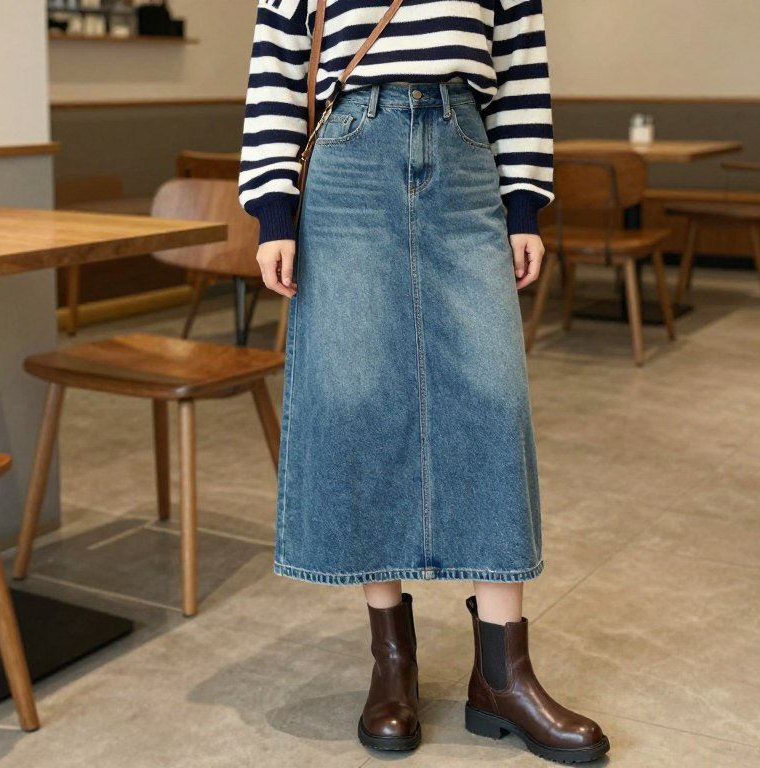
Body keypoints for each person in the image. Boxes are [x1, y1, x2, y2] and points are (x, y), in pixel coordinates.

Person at [239, 0, 609, 762]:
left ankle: (503, 677)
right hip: (347, 165)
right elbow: (275, 75)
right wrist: (275, 211)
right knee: (359, 399)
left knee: (492, 398)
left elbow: (524, 73)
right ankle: (392, 666)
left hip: (466, 154)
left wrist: (523, 206)